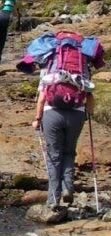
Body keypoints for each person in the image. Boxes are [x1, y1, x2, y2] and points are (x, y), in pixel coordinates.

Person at [18, 30, 105, 210]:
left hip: (52, 112)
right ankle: (68, 189)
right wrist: (86, 113)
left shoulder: (50, 59)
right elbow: (89, 97)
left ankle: (53, 199)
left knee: (53, 156)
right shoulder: (82, 61)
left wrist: (37, 118)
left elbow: (42, 96)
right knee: (69, 152)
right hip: (76, 113)